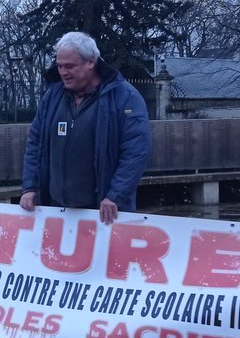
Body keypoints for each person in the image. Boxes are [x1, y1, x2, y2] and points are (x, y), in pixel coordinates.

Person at [19, 31, 151, 224]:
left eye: (70, 66)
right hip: (57, 208)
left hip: (103, 211)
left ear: (91, 62)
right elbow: (35, 143)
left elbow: (136, 152)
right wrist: (30, 187)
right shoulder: (53, 96)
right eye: (60, 66)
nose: (63, 72)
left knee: (104, 256)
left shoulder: (125, 98)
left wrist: (115, 195)